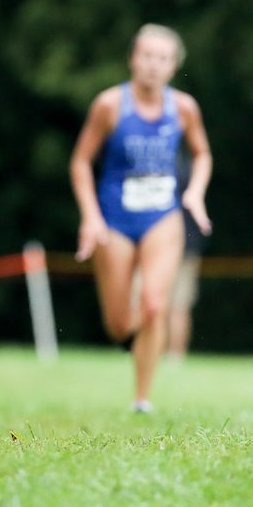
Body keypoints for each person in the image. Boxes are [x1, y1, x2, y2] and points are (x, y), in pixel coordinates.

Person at [70, 24, 212, 412]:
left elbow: (202, 154)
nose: (153, 65)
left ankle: (141, 398)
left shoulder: (183, 108)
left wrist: (195, 193)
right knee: (119, 324)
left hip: (162, 217)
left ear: (173, 66)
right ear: (133, 58)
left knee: (154, 305)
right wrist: (90, 217)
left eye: (163, 58)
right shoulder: (109, 105)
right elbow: (81, 161)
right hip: (114, 219)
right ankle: (132, 326)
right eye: (147, 56)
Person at [166, 151, 208, 359]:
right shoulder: (193, 170)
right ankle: (175, 358)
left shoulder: (162, 169)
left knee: (156, 305)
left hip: (162, 247)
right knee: (179, 307)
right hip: (187, 248)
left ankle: (151, 354)